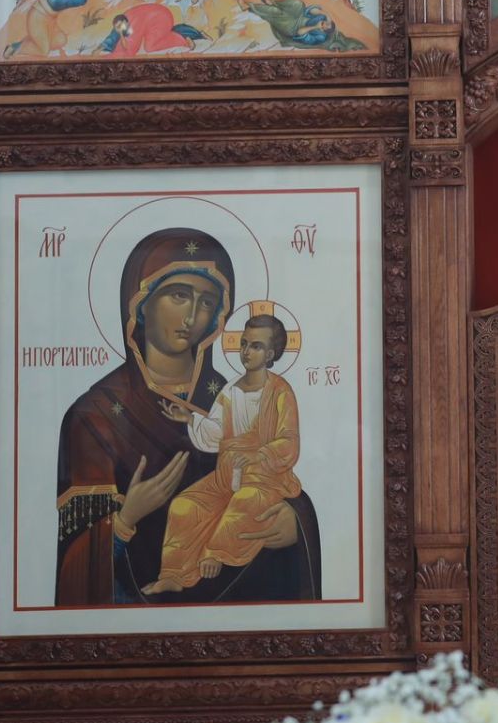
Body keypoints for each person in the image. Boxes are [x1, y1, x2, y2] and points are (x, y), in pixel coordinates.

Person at [55, 228, 321, 605]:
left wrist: (294, 523)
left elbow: (282, 469)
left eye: (207, 301)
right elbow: (75, 572)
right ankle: (174, 573)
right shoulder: (94, 416)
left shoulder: (231, 391)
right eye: (179, 295)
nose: (193, 316)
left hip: (242, 611)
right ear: (140, 303)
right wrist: (125, 520)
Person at [145, 315, 302, 594]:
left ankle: (214, 553)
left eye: (255, 346)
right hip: (225, 475)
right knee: (184, 505)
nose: (246, 351)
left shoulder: (280, 392)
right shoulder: (230, 390)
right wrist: (190, 418)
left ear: (270, 354)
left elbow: (289, 441)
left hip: (264, 479)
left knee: (245, 500)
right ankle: (173, 574)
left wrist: (259, 455)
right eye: (243, 344)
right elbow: (216, 433)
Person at [99, 5, 208, 57]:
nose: (119, 28)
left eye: (119, 26)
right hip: (158, 17)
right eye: (117, 27)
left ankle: (184, 39)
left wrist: (120, 39)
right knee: (157, 39)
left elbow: (130, 49)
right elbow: (114, 35)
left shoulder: (133, 24)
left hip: (161, 18)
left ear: (124, 22)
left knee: (150, 47)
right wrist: (101, 47)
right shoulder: (124, 20)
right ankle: (192, 33)